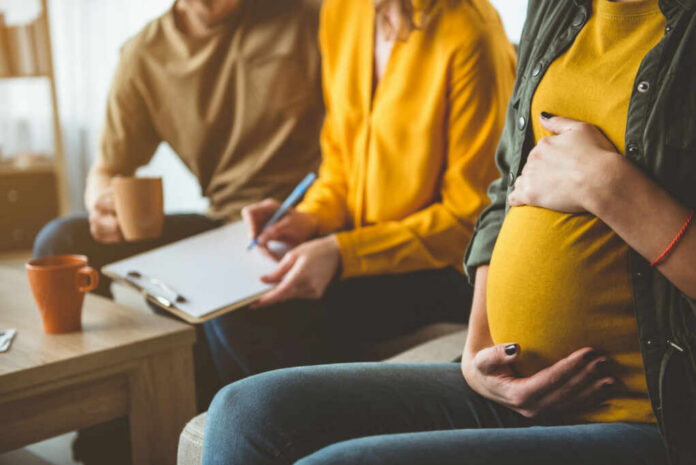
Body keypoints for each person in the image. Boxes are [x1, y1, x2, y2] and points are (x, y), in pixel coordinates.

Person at [201, 0, 696, 463]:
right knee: (243, 413)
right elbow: (504, 191)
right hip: (512, 378)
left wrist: (608, 185)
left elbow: (463, 213)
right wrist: (475, 354)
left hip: (654, 409)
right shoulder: (554, 7)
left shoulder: (469, 33)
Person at [32, 0, 323, 463]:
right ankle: (107, 441)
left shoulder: (310, 17)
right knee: (63, 242)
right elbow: (108, 166)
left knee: (215, 296)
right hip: (221, 220)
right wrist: (103, 203)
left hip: (304, 217)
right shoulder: (146, 52)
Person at [202, 0, 516, 384]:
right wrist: (310, 216)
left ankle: (313, 426)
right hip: (362, 245)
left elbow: (470, 221)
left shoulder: (472, 35)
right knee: (224, 302)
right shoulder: (341, 10)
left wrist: (342, 254)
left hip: (446, 268)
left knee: (245, 318)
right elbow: (339, 160)